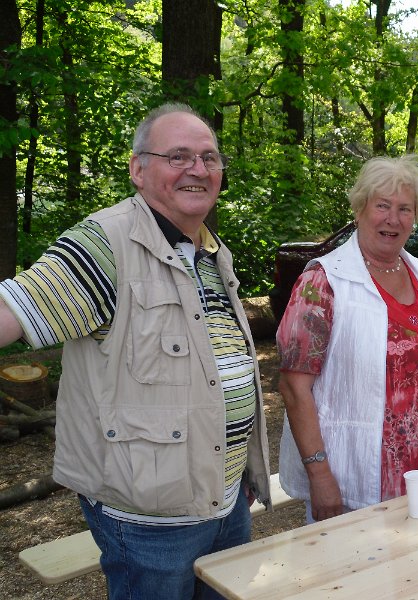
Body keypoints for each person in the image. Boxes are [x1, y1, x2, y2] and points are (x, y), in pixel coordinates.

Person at [0, 103, 271, 599]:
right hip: (151, 523)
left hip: (226, 501)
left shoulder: (209, 250)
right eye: (178, 156)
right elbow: (7, 314)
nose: (198, 169)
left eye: (209, 158)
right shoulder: (107, 244)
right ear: (138, 169)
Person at [276, 156, 418, 521]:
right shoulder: (324, 283)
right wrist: (319, 473)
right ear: (359, 209)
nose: (393, 218)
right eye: (382, 206)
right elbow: (294, 387)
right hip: (353, 478)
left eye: (405, 209)